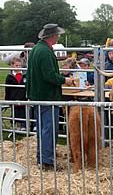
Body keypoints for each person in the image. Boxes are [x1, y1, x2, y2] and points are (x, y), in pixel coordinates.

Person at [26, 23, 73, 170]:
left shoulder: (36, 49)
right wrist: (65, 80)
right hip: (47, 96)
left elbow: (38, 73)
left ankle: (42, 158)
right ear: (52, 36)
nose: (58, 37)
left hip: (37, 95)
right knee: (49, 129)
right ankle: (48, 162)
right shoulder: (45, 52)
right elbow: (49, 75)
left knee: (42, 128)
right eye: (57, 35)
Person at [5, 57, 27, 131]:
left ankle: (23, 126)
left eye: (19, 65)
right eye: (16, 65)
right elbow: (7, 89)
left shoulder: (25, 76)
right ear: (12, 65)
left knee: (23, 112)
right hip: (13, 98)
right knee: (15, 112)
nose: (18, 67)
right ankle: (14, 125)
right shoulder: (9, 77)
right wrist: (7, 100)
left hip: (23, 98)